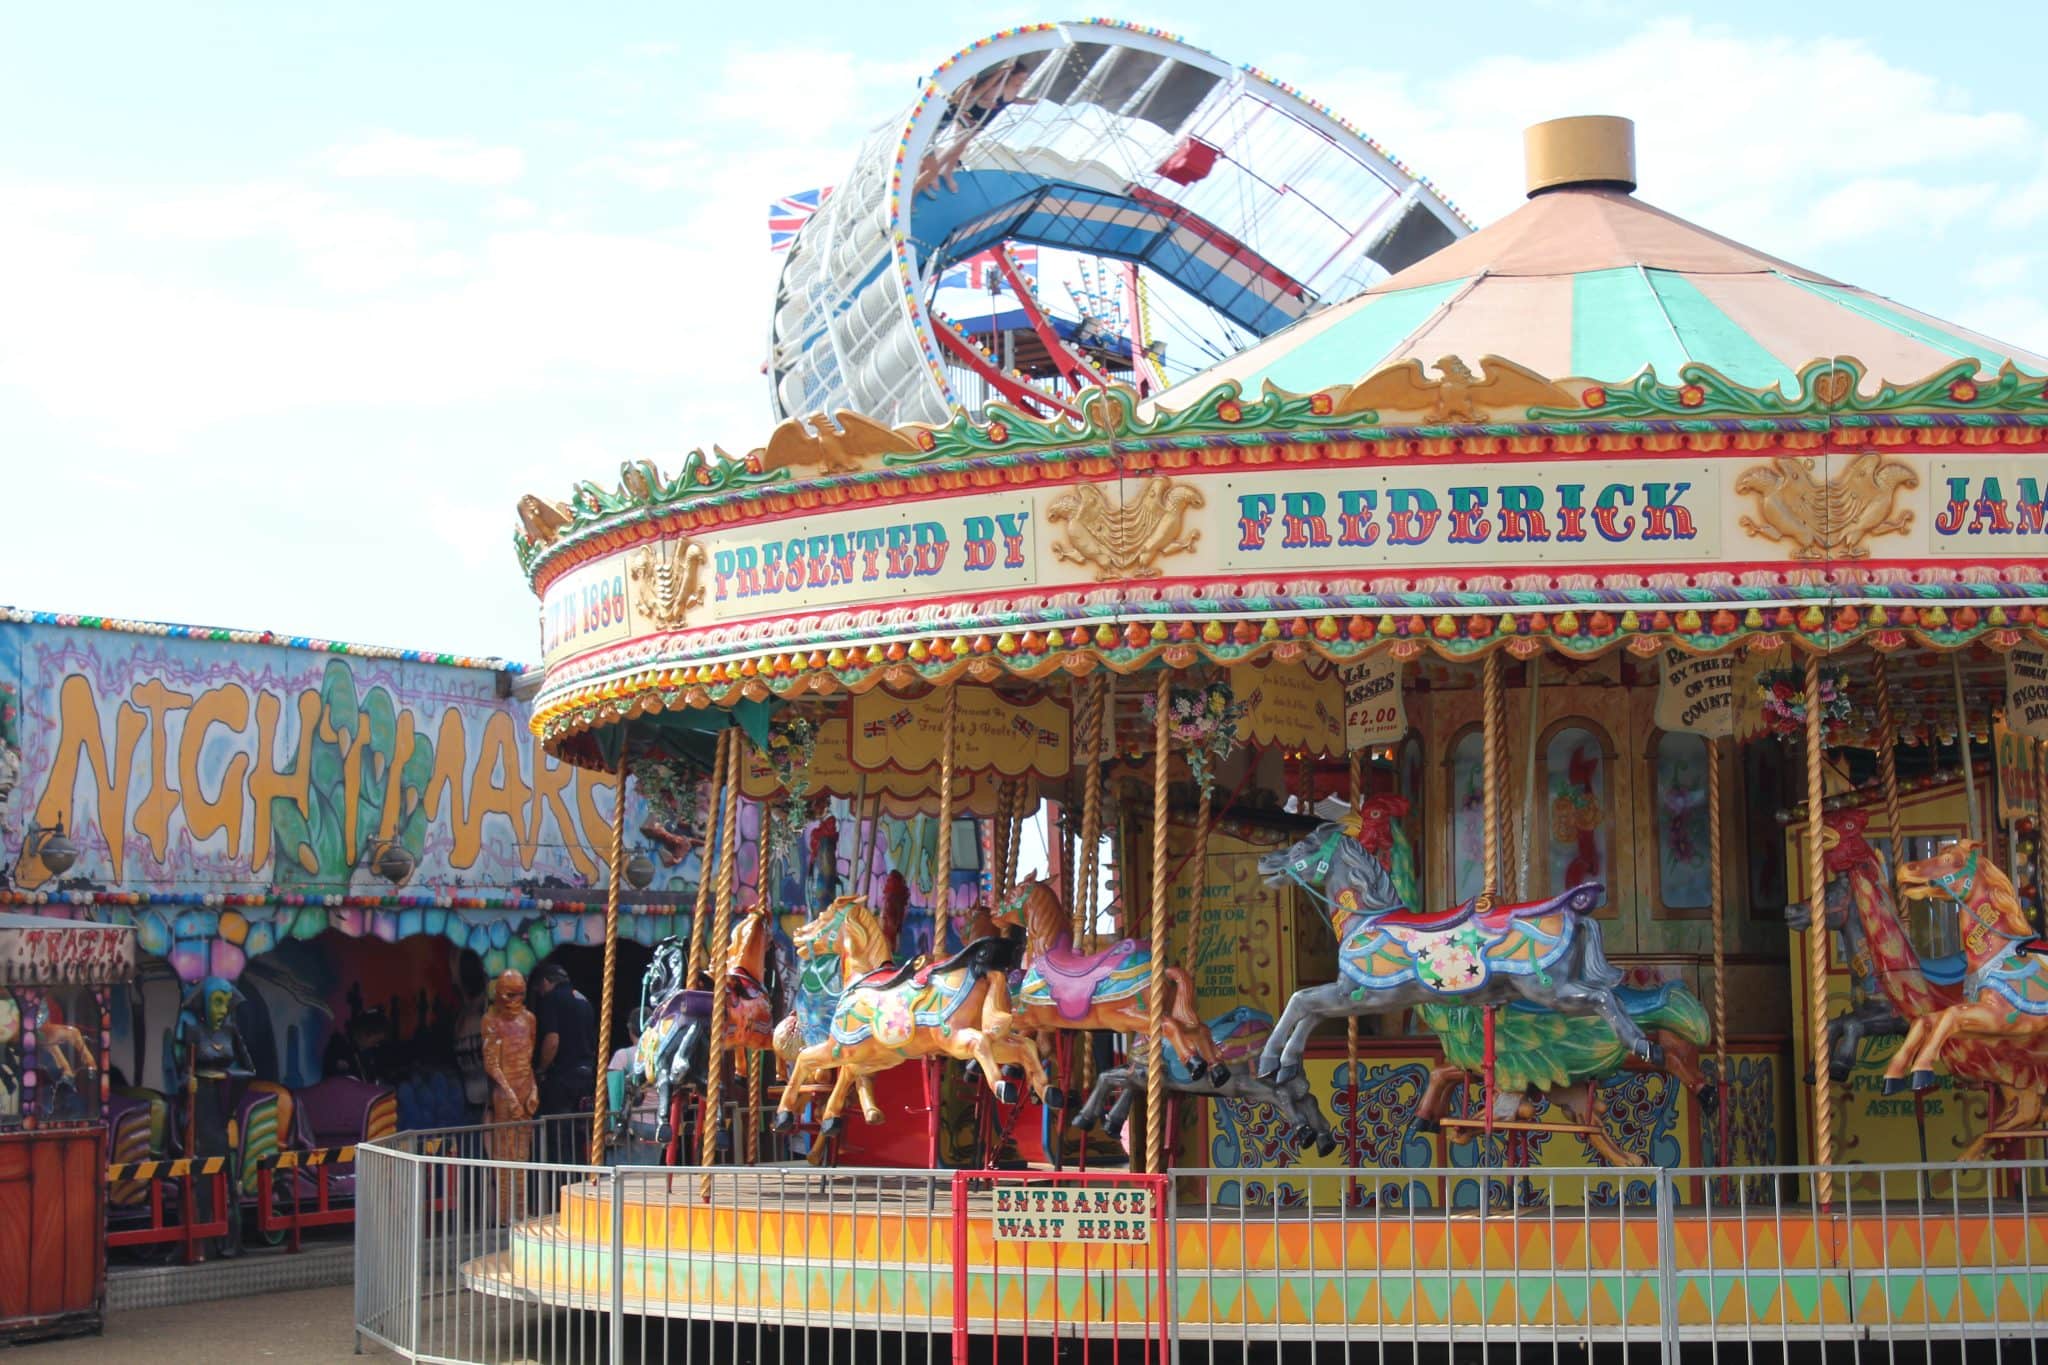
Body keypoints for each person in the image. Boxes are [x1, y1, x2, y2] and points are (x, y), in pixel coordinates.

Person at [532, 962, 597, 1159]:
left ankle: (561, 1184)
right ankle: (579, 1180)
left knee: (559, 1136)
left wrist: (541, 1069)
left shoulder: (551, 1000)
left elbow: (552, 1040)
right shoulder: (583, 999)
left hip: (563, 1076)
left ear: (545, 982)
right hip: (586, 1074)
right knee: (581, 1134)